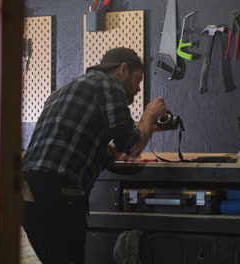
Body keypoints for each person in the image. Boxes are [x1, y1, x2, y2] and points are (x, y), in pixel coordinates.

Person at [21, 47, 167, 264]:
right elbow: (134, 146)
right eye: (137, 80)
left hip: (29, 191)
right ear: (122, 70)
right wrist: (148, 115)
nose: (138, 89)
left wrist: (142, 128)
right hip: (58, 196)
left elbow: (99, 157)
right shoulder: (108, 85)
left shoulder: (64, 91)